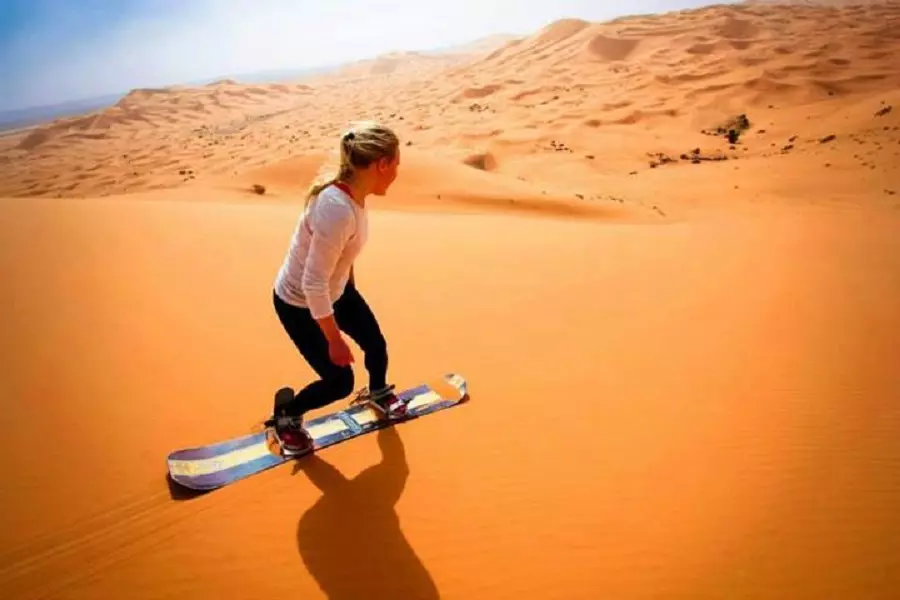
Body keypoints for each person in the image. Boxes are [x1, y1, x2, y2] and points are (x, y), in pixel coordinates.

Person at [269, 121, 405, 454]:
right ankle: (287, 415)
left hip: (337, 290)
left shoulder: (355, 196)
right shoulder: (336, 209)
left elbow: (345, 252)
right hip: (300, 303)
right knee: (339, 382)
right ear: (382, 164)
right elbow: (312, 283)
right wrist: (334, 339)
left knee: (376, 345)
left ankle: (377, 392)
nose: (398, 173)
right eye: (397, 164)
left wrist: (350, 293)